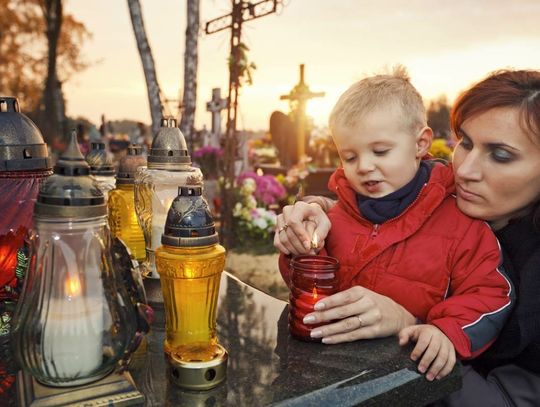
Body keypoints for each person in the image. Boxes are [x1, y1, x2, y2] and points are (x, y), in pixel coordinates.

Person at [275, 69, 540, 405]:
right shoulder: (420, 202)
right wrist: (305, 236)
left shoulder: (474, 237)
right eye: (466, 143)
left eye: (501, 155)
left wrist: (415, 329)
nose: (466, 170)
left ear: (420, 143)